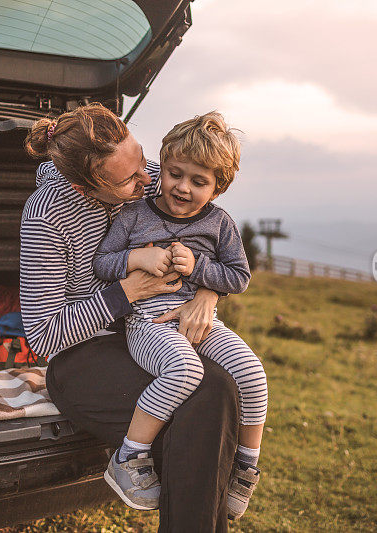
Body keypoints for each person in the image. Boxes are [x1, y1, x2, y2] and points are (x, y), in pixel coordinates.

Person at [21, 103, 240, 532]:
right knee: (203, 400)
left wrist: (209, 293)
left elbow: (210, 234)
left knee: (222, 387)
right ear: (88, 187)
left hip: (151, 331)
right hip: (82, 356)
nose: (149, 178)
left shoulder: (152, 177)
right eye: (129, 179)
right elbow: (44, 337)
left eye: (141, 158)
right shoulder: (45, 218)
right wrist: (125, 293)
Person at [92, 112, 267, 520]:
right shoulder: (135, 215)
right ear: (162, 167)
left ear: (217, 188)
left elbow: (238, 276)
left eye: (198, 181)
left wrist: (199, 269)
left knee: (252, 373)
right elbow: (103, 263)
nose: (182, 188)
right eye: (174, 174)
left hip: (202, 321)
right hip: (148, 323)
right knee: (186, 371)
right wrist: (139, 257)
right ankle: (129, 456)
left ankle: (243, 467)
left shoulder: (220, 223)